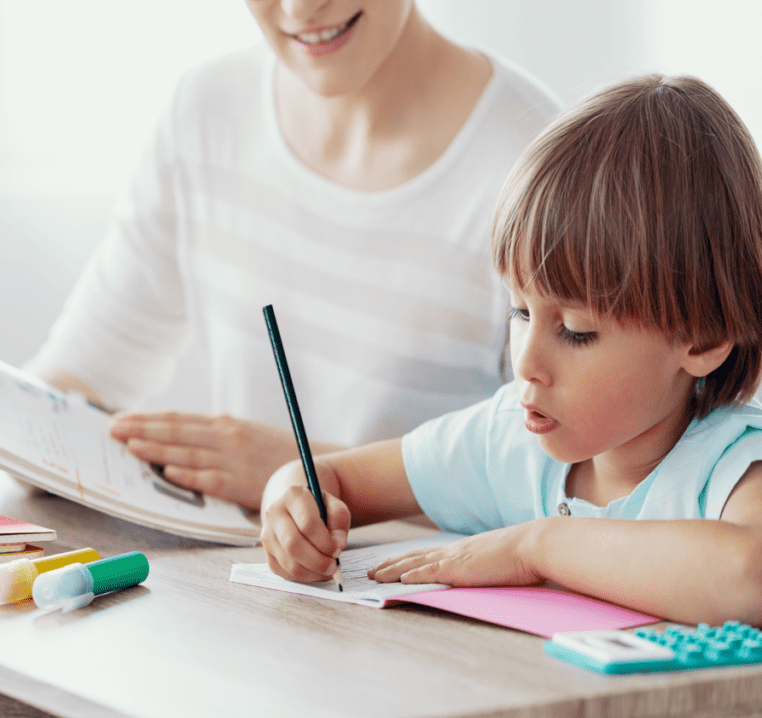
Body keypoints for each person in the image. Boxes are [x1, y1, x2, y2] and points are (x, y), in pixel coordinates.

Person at [259, 74, 762, 625]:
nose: (524, 363)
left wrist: (537, 546)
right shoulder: (508, 440)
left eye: (575, 330)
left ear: (705, 338)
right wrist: (290, 505)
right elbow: (332, 480)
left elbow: (748, 579)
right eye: (521, 311)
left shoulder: (733, 467)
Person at [25, 1, 561, 510]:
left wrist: (308, 470)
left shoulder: (540, 168)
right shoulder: (205, 112)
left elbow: (566, 484)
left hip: (420, 596)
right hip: (242, 580)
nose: (301, 11)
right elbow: (81, 374)